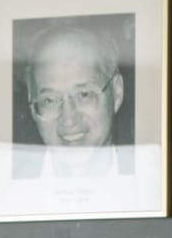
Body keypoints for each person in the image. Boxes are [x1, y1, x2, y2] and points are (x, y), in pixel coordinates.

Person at [13, 22, 130, 179]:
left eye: (84, 95)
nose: (68, 120)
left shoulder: (152, 178)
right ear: (31, 103)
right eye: (49, 100)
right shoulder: (5, 185)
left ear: (117, 92)